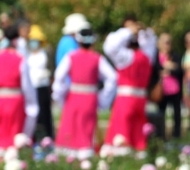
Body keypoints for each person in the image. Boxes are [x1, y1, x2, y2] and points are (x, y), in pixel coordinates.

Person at [52, 27, 117, 159]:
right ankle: (85, 158)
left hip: (73, 97)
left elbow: (59, 76)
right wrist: (103, 98)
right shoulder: (97, 58)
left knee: (69, 128)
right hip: (90, 98)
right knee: (86, 130)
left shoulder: (71, 57)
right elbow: (112, 77)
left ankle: (67, 159)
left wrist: (60, 95)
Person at [102, 15, 157, 156]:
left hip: (125, 100)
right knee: (138, 139)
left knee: (121, 136)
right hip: (140, 101)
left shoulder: (126, 56)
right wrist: (142, 30)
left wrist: (127, 31)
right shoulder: (147, 56)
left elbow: (109, 46)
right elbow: (151, 41)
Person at [0, 26, 37, 157]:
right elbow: (28, 89)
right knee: (13, 144)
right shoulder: (20, 60)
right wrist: (32, 113)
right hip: (15, 104)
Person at [27, 25, 54, 141]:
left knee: (45, 114)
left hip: (42, 86)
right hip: (32, 87)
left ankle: (48, 137)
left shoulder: (45, 53)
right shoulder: (28, 55)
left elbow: (50, 69)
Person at [157, 32, 183, 140]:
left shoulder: (175, 56)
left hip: (174, 90)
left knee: (176, 114)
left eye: (169, 43)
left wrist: (170, 69)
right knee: (160, 114)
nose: (167, 45)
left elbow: (180, 70)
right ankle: (160, 135)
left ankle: (176, 136)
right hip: (161, 90)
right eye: (165, 42)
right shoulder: (156, 56)